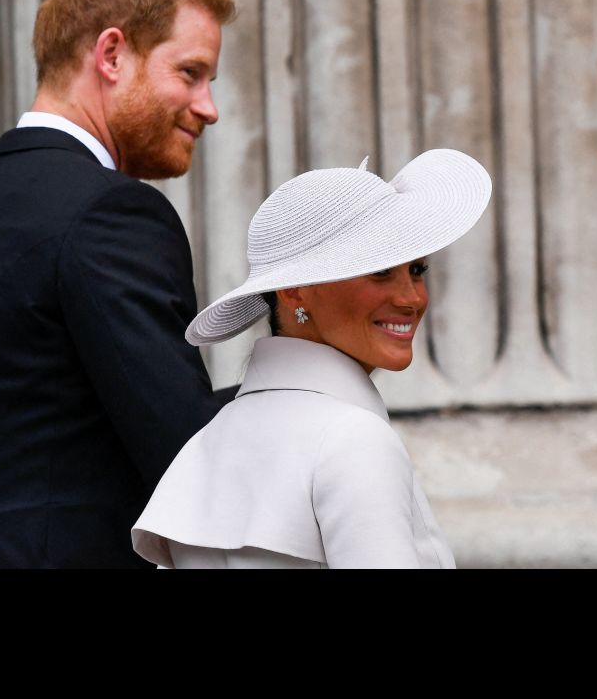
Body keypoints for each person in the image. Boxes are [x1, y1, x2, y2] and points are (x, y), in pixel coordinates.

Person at [0, 0, 237, 568]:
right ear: (111, 55)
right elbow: (187, 450)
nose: (208, 106)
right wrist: (306, 371)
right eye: (190, 73)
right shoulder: (113, 213)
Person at [132, 148, 492, 569]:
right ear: (295, 290)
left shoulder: (210, 440)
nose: (412, 298)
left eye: (417, 270)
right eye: (379, 271)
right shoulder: (352, 438)